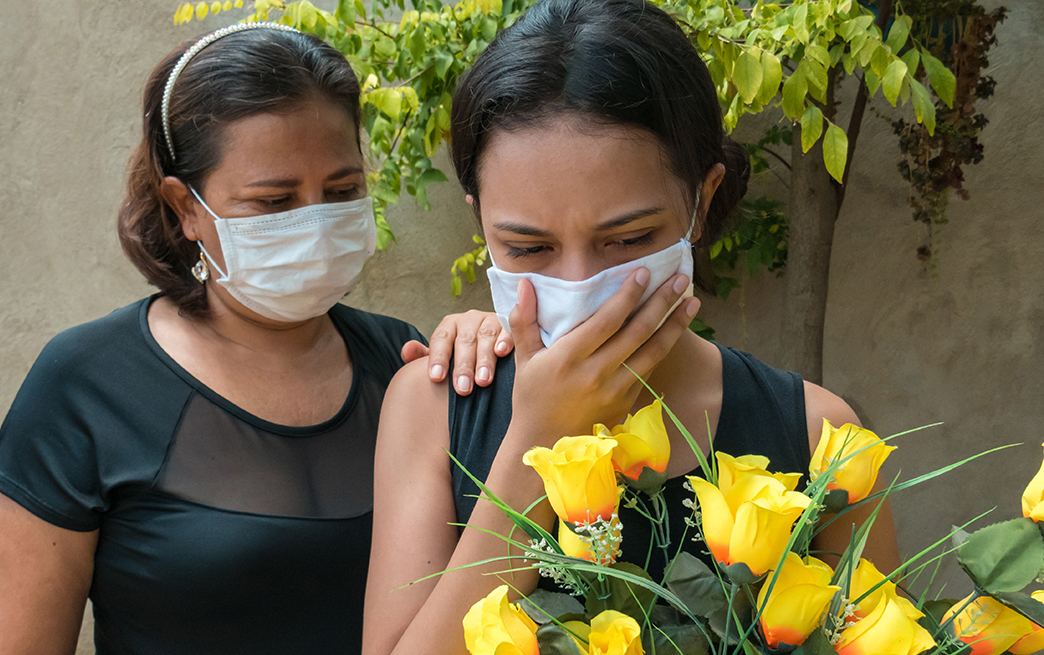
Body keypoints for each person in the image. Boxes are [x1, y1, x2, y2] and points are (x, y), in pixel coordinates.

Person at [363, 1, 901, 653]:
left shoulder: (821, 436)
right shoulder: (431, 407)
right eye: (528, 248)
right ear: (481, 225)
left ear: (700, 203)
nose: (580, 283)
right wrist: (536, 443)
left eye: (628, 238)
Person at [0, 23, 511, 655]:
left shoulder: (402, 364)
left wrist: (484, 343)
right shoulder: (85, 386)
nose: (313, 223)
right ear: (186, 207)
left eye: (341, 192)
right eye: (275, 201)